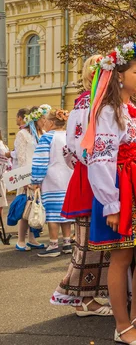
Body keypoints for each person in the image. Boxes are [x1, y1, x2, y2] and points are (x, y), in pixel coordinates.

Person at [82, 42, 136, 345]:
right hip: (121, 187)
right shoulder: (107, 112)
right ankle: (121, 326)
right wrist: (111, 202)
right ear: (119, 76)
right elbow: (100, 158)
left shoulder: (134, 110)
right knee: (121, 256)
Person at [51, 54, 113, 316]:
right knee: (88, 241)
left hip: (101, 175)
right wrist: (99, 162)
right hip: (91, 177)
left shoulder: (102, 103)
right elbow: (75, 146)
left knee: (100, 242)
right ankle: (82, 298)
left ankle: (93, 294)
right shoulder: (86, 104)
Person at [31, 109, 74, 257]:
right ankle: (67, 243)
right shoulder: (69, 136)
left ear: (50, 122)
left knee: (52, 214)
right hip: (69, 179)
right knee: (65, 212)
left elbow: (40, 160)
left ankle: (54, 245)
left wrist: (35, 180)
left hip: (52, 180)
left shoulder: (46, 138)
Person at [14, 105, 47, 251]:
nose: (45, 121)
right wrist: (26, 179)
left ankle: (32, 239)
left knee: (36, 207)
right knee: (25, 207)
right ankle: (21, 240)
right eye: (42, 119)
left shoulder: (42, 133)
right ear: (35, 119)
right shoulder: (23, 134)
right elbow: (21, 157)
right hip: (27, 175)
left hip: (40, 175)